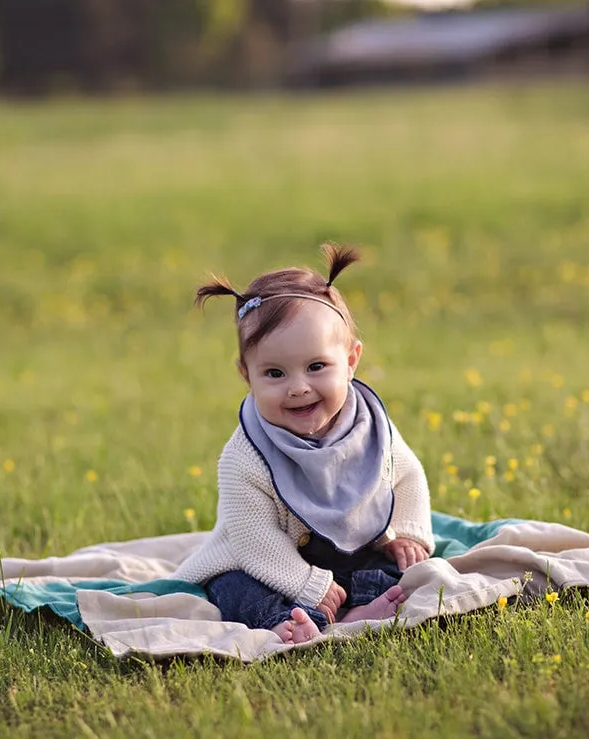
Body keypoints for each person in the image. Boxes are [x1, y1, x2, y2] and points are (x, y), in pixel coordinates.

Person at [174, 244, 434, 644]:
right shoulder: (247, 456)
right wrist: (307, 584)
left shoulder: (368, 427)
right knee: (233, 589)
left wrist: (410, 534)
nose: (298, 387)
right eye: (275, 373)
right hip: (265, 564)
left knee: (395, 571)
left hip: (351, 552)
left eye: (316, 367)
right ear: (247, 376)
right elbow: (252, 539)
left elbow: (408, 474)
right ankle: (287, 622)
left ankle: (358, 609)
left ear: (350, 361)